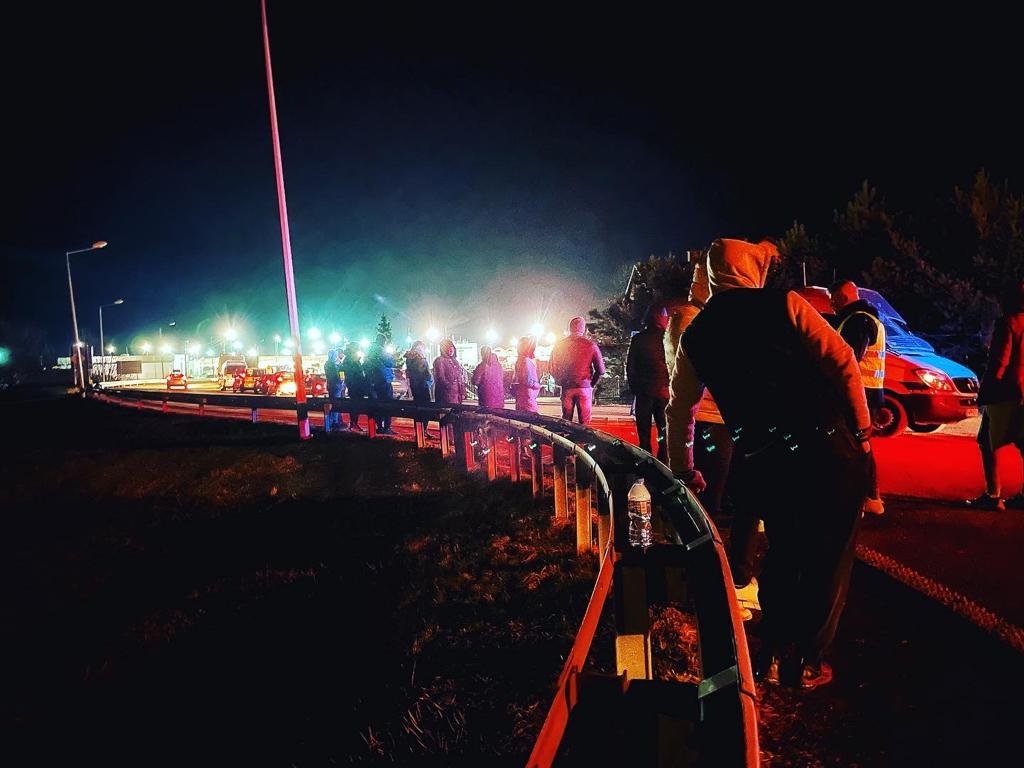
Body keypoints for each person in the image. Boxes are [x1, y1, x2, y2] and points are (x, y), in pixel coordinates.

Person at [666, 237, 872, 690]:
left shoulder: (696, 334)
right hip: (828, 446)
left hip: (765, 457)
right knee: (828, 556)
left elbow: (679, 411)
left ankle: (773, 655)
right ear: (752, 269)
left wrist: (681, 467)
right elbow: (842, 363)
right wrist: (862, 432)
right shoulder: (786, 304)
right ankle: (810, 660)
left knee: (782, 551)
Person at [667, 260, 760, 621]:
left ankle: (724, 580)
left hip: (731, 424)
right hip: (714, 422)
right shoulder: (694, 320)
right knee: (713, 502)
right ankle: (714, 586)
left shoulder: (705, 318)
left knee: (738, 500)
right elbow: (682, 395)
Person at [830, 280, 886, 515]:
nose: (831, 304)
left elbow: (849, 357)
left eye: (833, 299)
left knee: (854, 446)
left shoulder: (857, 321)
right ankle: (867, 497)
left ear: (843, 298)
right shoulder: (864, 318)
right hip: (867, 391)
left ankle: (864, 497)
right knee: (858, 445)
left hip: (859, 391)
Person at [968, 282, 1024, 511]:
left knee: (987, 441)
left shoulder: (1009, 324)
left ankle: (993, 494)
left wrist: (985, 392)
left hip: (1006, 393)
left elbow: (1000, 362)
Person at [626, 306, 670, 462]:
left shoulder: (638, 339)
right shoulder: (668, 337)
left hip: (644, 392)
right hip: (665, 393)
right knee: (663, 433)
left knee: (644, 434)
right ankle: (664, 465)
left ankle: (646, 465)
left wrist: (635, 389)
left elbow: (630, 367)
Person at [549, 316, 605, 424]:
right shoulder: (591, 345)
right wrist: (591, 384)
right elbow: (601, 370)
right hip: (584, 387)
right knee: (584, 424)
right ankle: (582, 441)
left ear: (570, 328)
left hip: (567, 387)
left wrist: (560, 381)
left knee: (566, 422)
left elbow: (551, 367)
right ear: (583, 329)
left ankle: (566, 440)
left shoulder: (560, 345)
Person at [365, 333, 396, 434]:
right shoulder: (380, 350)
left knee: (377, 405)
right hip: (384, 381)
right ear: (382, 341)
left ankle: (379, 426)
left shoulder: (369, 351)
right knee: (387, 404)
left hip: (373, 381)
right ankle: (386, 428)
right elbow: (391, 362)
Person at [340, 340, 367, 432]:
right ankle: (353, 423)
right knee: (355, 405)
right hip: (355, 386)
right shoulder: (350, 360)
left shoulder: (352, 359)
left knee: (356, 405)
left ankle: (354, 423)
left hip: (356, 385)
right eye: (357, 348)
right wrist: (346, 381)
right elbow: (344, 372)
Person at [432, 338, 466, 405]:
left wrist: (462, 391)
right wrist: (450, 387)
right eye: (447, 348)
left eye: (451, 347)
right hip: (446, 396)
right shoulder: (440, 361)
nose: (450, 350)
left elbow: (460, 378)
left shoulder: (455, 362)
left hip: (457, 396)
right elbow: (440, 378)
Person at [513, 335, 541, 413]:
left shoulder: (519, 360)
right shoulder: (526, 361)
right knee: (531, 416)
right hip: (528, 395)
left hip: (521, 395)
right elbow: (528, 381)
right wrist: (538, 385)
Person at [324, 348, 348, 432]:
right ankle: (334, 422)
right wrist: (342, 380)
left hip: (331, 386)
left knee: (334, 404)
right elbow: (338, 376)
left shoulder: (327, 363)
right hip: (336, 386)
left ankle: (334, 421)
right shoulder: (333, 365)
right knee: (336, 404)